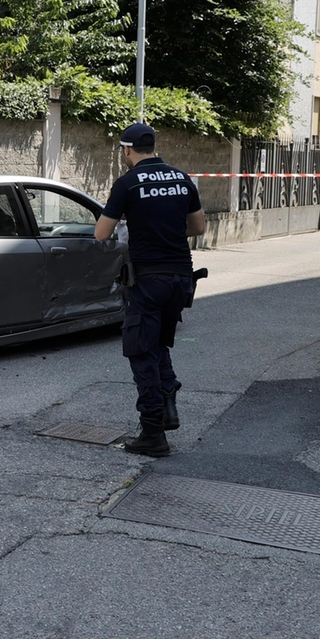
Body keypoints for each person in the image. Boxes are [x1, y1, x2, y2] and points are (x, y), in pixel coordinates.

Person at [94, 123, 207, 457]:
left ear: (127, 150)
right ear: (153, 147)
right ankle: (168, 398)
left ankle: (153, 433)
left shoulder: (127, 183)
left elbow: (101, 233)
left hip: (148, 279)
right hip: (181, 278)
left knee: (141, 349)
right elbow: (198, 226)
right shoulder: (182, 179)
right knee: (158, 342)